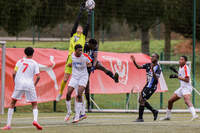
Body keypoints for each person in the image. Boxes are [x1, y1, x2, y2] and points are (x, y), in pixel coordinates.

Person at [56, 3, 92, 101]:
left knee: (80, 78)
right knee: (65, 79)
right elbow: (76, 22)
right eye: (78, 27)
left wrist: (89, 14)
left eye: (81, 27)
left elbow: (88, 25)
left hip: (80, 59)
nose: (79, 28)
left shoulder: (83, 36)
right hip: (71, 57)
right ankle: (60, 93)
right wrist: (80, 11)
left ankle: (80, 99)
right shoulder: (73, 35)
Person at [1, 47, 42, 130]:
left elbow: (13, 73)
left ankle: (8, 125)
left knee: (12, 103)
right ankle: (35, 120)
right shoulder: (34, 63)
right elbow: (38, 77)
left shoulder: (19, 61)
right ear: (33, 53)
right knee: (34, 104)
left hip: (19, 84)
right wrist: (34, 85)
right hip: (29, 84)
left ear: (25, 53)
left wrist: (16, 82)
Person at [83, 39, 119, 111]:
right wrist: (88, 66)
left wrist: (93, 66)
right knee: (87, 86)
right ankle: (88, 105)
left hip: (92, 61)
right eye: (93, 46)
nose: (95, 47)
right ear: (90, 44)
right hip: (84, 64)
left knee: (101, 66)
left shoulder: (95, 47)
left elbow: (95, 58)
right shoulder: (84, 46)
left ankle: (114, 78)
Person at [160, 56, 198, 121]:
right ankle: (168, 116)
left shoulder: (186, 68)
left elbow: (187, 80)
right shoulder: (180, 67)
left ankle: (194, 115)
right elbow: (182, 75)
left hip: (187, 87)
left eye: (182, 59)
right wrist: (176, 72)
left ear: (185, 61)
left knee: (187, 101)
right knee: (170, 101)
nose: (180, 60)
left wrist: (176, 76)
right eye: (180, 59)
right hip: (182, 88)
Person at [65, 44, 92, 123]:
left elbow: (90, 63)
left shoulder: (85, 56)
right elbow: (68, 64)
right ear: (75, 50)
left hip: (83, 77)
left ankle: (77, 116)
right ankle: (69, 111)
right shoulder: (71, 56)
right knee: (68, 93)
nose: (81, 51)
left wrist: (88, 64)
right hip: (74, 77)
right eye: (79, 50)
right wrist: (70, 64)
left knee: (79, 94)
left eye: (81, 50)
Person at [130, 53, 161, 122]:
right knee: (140, 100)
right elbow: (138, 67)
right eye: (151, 56)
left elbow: (156, 79)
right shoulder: (148, 65)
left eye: (153, 57)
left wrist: (152, 70)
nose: (152, 58)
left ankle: (140, 118)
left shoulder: (158, 68)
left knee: (141, 100)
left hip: (152, 86)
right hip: (147, 85)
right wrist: (134, 61)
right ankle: (154, 111)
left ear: (157, 59)